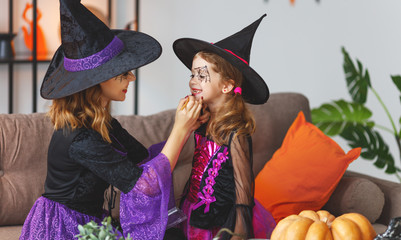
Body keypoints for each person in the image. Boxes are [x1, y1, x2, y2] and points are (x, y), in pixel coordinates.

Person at [19, 0, 206, 239]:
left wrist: (187, 126)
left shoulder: (103, 124)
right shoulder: (81, 137)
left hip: (91, 220)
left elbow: (143, 162)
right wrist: (180, 130)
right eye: (123, 72)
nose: (131, 78)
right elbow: (145, 185)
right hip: (63, 227)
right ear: (98, 80)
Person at [172, 14, 277, 240]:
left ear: (227, 86)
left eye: (202, 75)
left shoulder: (236, 132)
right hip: (193, 209)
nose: (193, 81)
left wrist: (240, 229)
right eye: (192, 74)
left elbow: (243, 186)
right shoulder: (200, 119)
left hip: (222, 220)